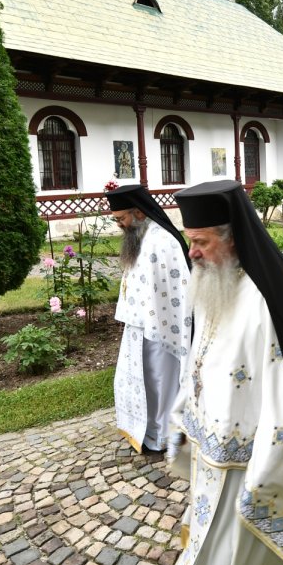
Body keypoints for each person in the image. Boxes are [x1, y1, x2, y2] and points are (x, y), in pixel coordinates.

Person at [133, 180, 283, 565]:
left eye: (201, 242)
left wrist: (269, 461)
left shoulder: (266, 301)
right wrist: (185, 410)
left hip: (250, 451)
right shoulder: (211, 283)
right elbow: (200, 354)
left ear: (233, 240)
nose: (193, 253)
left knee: (234, 537)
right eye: (191, 242)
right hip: (211, 438)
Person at [107, 184, 191, 454]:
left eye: (122, 218)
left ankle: (164, 436)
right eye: (116, 219)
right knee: (143, 383)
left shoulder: (161, 241)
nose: (120, 225)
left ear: (140, 213)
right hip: (138, 328)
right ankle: (146, 431)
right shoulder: (139, 238)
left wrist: (158, 323)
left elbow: (175, 290)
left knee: (159, 382)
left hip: (162, 329)